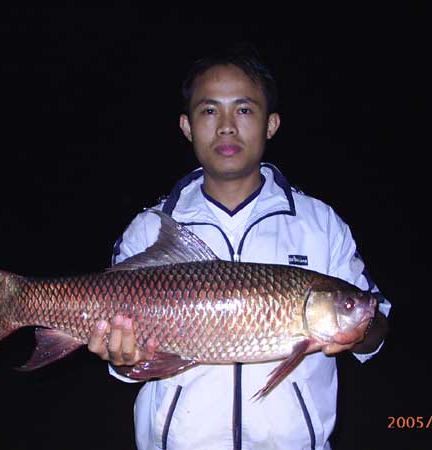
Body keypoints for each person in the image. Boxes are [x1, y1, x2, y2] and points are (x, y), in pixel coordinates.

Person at [88, 44, 391, 450]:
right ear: (186, 126)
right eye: (210, 110)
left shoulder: (320, 224)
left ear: (271, 124)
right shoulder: (149, 227)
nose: (227, 126)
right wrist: (124, 359)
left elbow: (377, 324)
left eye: (244, 110)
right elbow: (127, 366)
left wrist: (361, 328)